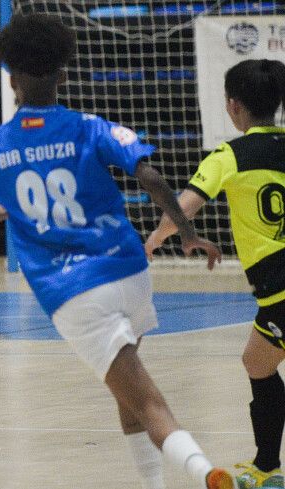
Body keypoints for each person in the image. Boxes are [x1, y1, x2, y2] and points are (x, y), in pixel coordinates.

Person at [0, 14, 231, 489]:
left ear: (10, 78)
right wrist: (185, 235)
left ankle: (205, 473)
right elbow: (152, 178)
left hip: (74, 292)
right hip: (130, 271)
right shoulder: (90, 127)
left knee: (145, 400)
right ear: (63, 73)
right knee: (127, 392)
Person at [145, 59, 285, 489]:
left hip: (280, 285)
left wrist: (150, 242)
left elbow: (182, 208)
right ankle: (265, 468)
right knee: (256, 361)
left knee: (258, 362)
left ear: (234, 106)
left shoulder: (229, 156)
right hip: (274, 295)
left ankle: (266, 468)